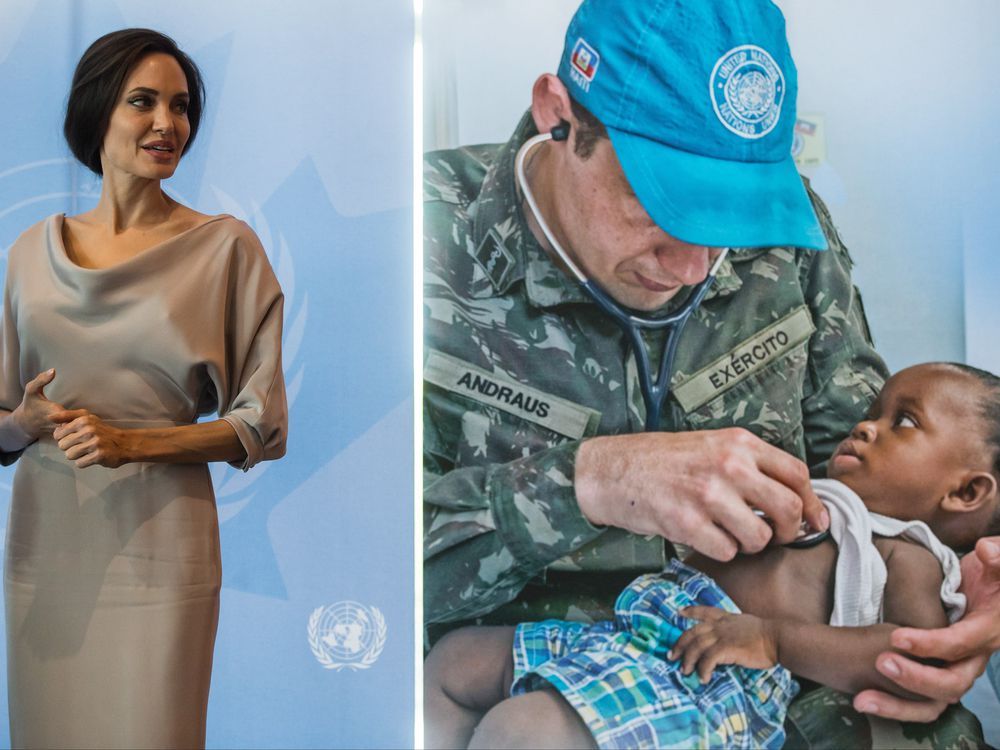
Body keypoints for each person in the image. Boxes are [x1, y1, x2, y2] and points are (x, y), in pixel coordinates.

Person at [423, 0, 1000, 744]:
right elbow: (355, 569)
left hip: (784, 682)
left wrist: (980, 595)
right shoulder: (421, 243)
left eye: (730, 216)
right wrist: (588, 481)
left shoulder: (787, 238)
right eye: (663, 203)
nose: (697, 265)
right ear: (559, 115)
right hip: (541, 664)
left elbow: (889, 487)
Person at [425, 362, 1000, 748]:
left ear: (966, 493)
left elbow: (912, 659)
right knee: (457, 662)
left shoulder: (911, 556)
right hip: (638, 634)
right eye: (873, 410)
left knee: (524, 732)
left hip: (709, 683)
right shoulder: (824, 492)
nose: (866, 426)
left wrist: (772, 640)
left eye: (902, 421)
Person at [0, 29, 287, 748]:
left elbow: (263, 425)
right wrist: (27, 422)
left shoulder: (226, 248)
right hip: (47, 554)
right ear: (98, 112)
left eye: (181, 106)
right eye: (144, 102)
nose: (168, 123)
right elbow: (2, 422)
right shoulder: (29, 253)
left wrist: (136, 443)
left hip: (163, 557)